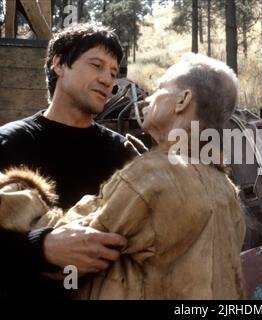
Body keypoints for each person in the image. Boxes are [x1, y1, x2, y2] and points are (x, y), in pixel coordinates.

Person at [27, 52, 246, 299]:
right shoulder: (226, 190)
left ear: (183, 100)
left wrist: (23, 195)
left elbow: (73, 250)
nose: (147, 98)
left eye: (161, 88)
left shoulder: (151, 176)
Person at [0, 23, 133, 298]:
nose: (108, 80)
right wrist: (41, 247)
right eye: (96, 65)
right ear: (59, 64)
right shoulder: (10, 142)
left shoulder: (123, 153)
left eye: (112, 72)